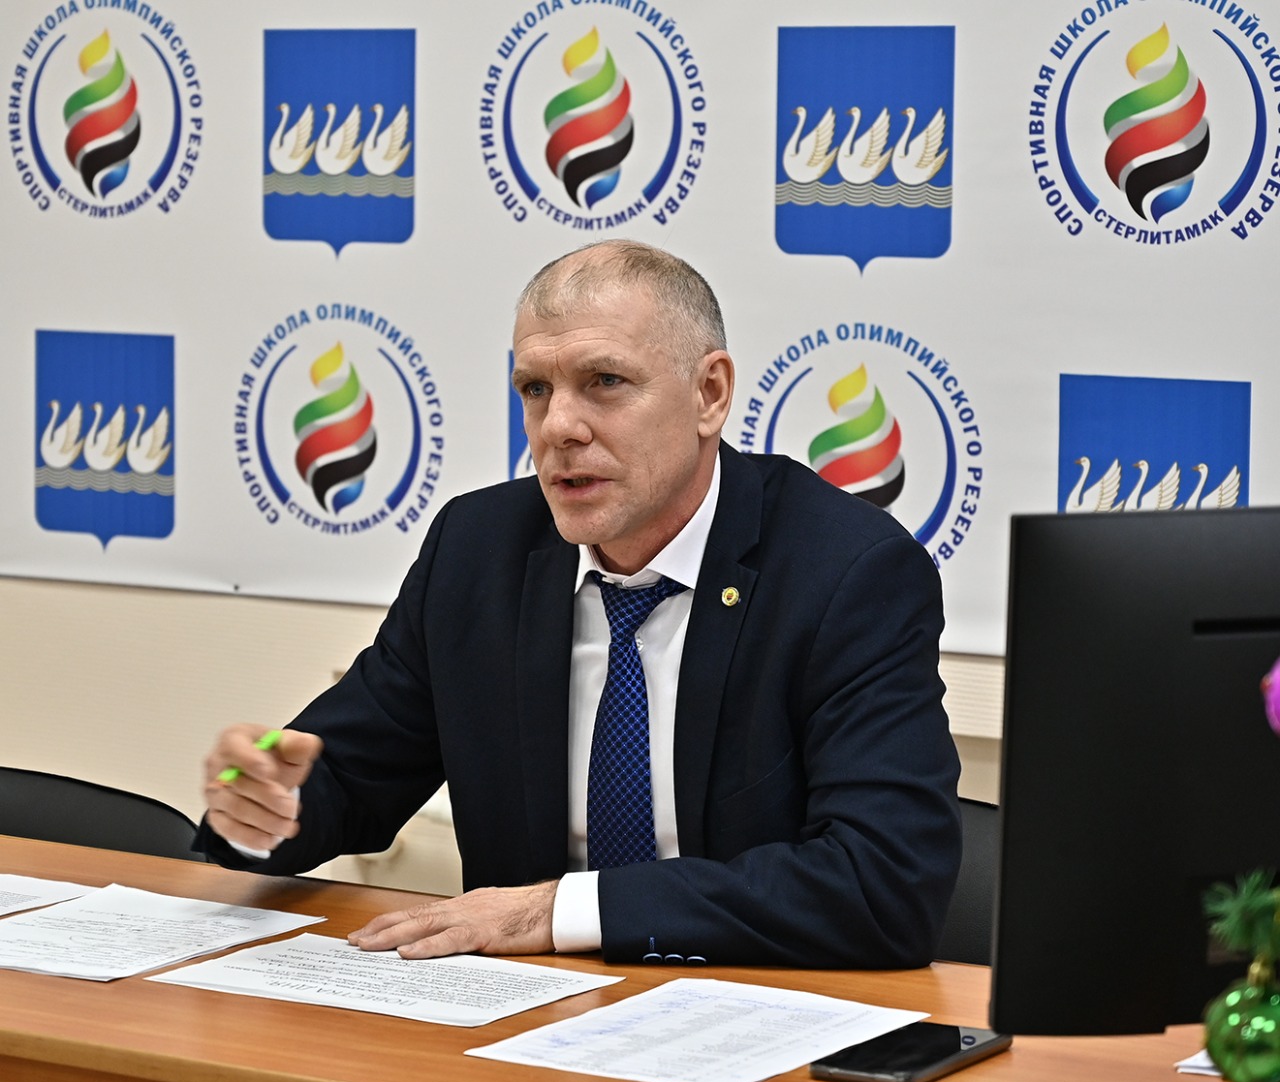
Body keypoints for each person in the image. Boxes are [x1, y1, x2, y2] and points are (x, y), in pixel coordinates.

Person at [198, 239, 961, 968]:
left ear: (710, 393)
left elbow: (883, 883)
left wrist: (559, 911)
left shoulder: (845, 572)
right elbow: (344, 780)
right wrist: (260, 809)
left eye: (605, 381)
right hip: (516, 1017)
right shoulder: (478, 550)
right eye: (536, 389)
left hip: (755, 1010)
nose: (559, 427)